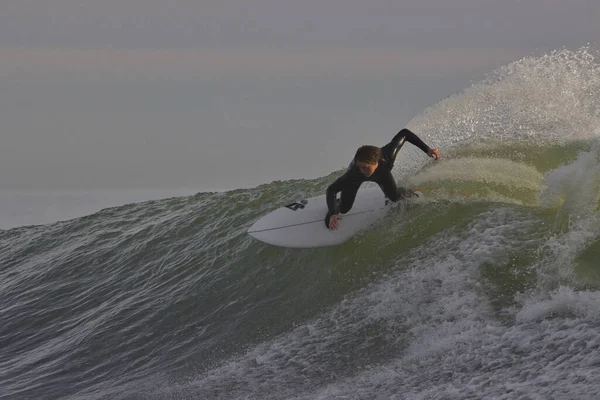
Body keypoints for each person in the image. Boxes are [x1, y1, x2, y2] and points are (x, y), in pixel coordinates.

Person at [325, 128, 440, 230]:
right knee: (344, 209)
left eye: (365, 168)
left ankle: (407, 192)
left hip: (382, 175)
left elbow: (404, 134)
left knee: (394, 197)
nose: (362, 171)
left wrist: (427, 149)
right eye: (359, 167)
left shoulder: (388, 155)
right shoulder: (354, 173)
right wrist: (333, 213)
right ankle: (338, 204)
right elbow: (331, 190)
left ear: (375, 162)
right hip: (355, 180)